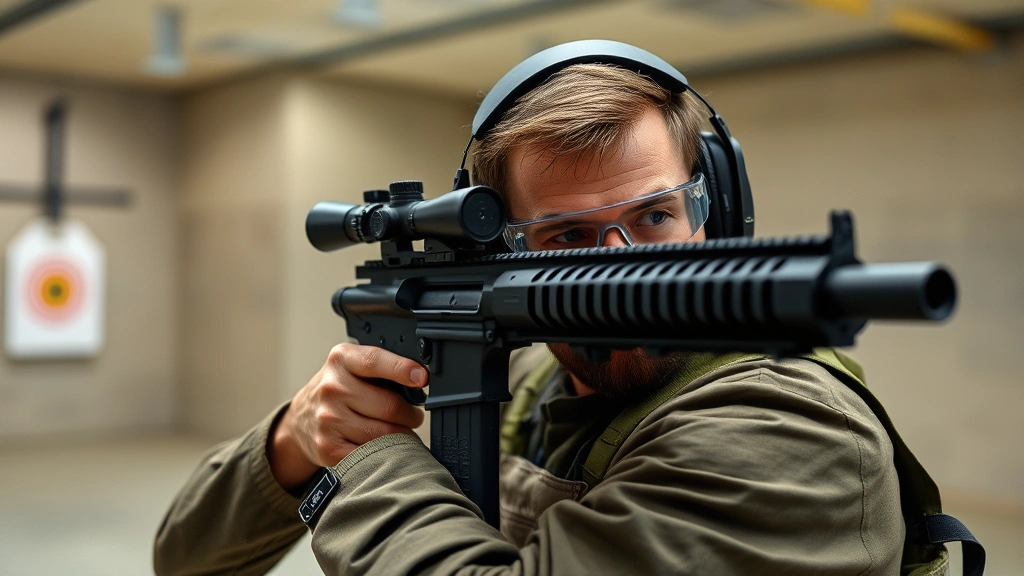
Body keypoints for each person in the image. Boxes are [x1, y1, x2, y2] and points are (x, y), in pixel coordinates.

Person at [154, 44, 908, 575]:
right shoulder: (538, 394)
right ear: (500, 245)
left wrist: (364, 459)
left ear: (715, 208)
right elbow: (183, 559)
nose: (621, 263)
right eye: (568, 234)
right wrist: (301, 433)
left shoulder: (791, 431)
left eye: (653, 217)